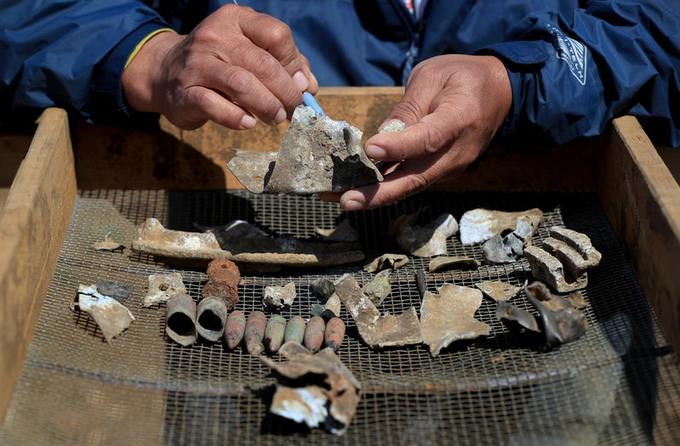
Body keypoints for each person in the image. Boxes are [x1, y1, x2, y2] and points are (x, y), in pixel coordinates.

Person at [1, 1, 679, 210]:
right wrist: (142, 54)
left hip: (515, 278)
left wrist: (521, 80)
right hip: (256, 265)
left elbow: (658, 30)